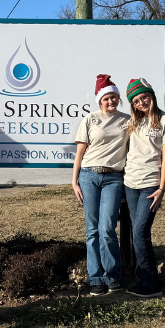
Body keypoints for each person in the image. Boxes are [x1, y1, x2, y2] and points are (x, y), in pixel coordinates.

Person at [72, 74, 130, 297]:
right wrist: (74, 181)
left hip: (114, 178)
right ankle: (95, 278)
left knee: (107, 229)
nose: (110, 102)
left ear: (118, 99)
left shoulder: (127, 120)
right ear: (100, 100)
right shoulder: (90, 119)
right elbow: (79, 153)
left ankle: (112, 276)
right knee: (92, 229)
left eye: (114, 98)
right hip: (89, 176)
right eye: (106, 98)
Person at [123, 78, 165, 299]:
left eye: (143, 97)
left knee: (140, 231)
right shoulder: (133, 122)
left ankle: (151, 283)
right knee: (137, 234)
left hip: (150, 185)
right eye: (136, 101)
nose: (141, 103)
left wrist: (162, 189)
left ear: (151, 96)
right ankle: (142, 277)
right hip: (130, 183)